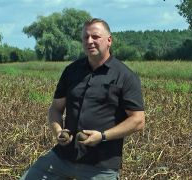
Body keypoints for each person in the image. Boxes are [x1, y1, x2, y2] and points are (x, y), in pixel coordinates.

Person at [20, 18, 145, 180]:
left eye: (95, 36)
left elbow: (138, 120)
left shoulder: (125, 76)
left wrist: (102, 136)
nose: (90, 41)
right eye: (85, 37)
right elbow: (56, 108)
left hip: (100, 166)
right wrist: (58, 131)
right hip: (62, 159)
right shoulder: (71, 71)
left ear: (109, 41)